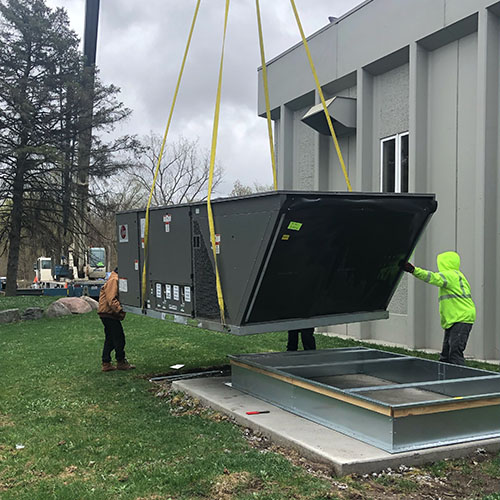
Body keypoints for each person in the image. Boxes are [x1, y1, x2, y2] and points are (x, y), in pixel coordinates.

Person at [403, 251, 475, 366]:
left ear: (444, 263)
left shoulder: (450, 275)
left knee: (455, 351)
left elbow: (432, 277)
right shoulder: (458, 276)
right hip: (456, 318)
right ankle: (443, 375)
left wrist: (414, 270)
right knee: (446, 352)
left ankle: (459, 377)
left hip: (461, 318)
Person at [97, 267, 135, 372]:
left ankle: (106, 363)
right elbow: (111, 298)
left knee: (110, 338)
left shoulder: (114, 278)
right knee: (119, 338)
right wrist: (120, 310)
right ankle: (120, 361)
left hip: (107, 313)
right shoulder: (114, 279)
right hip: (109, 313)